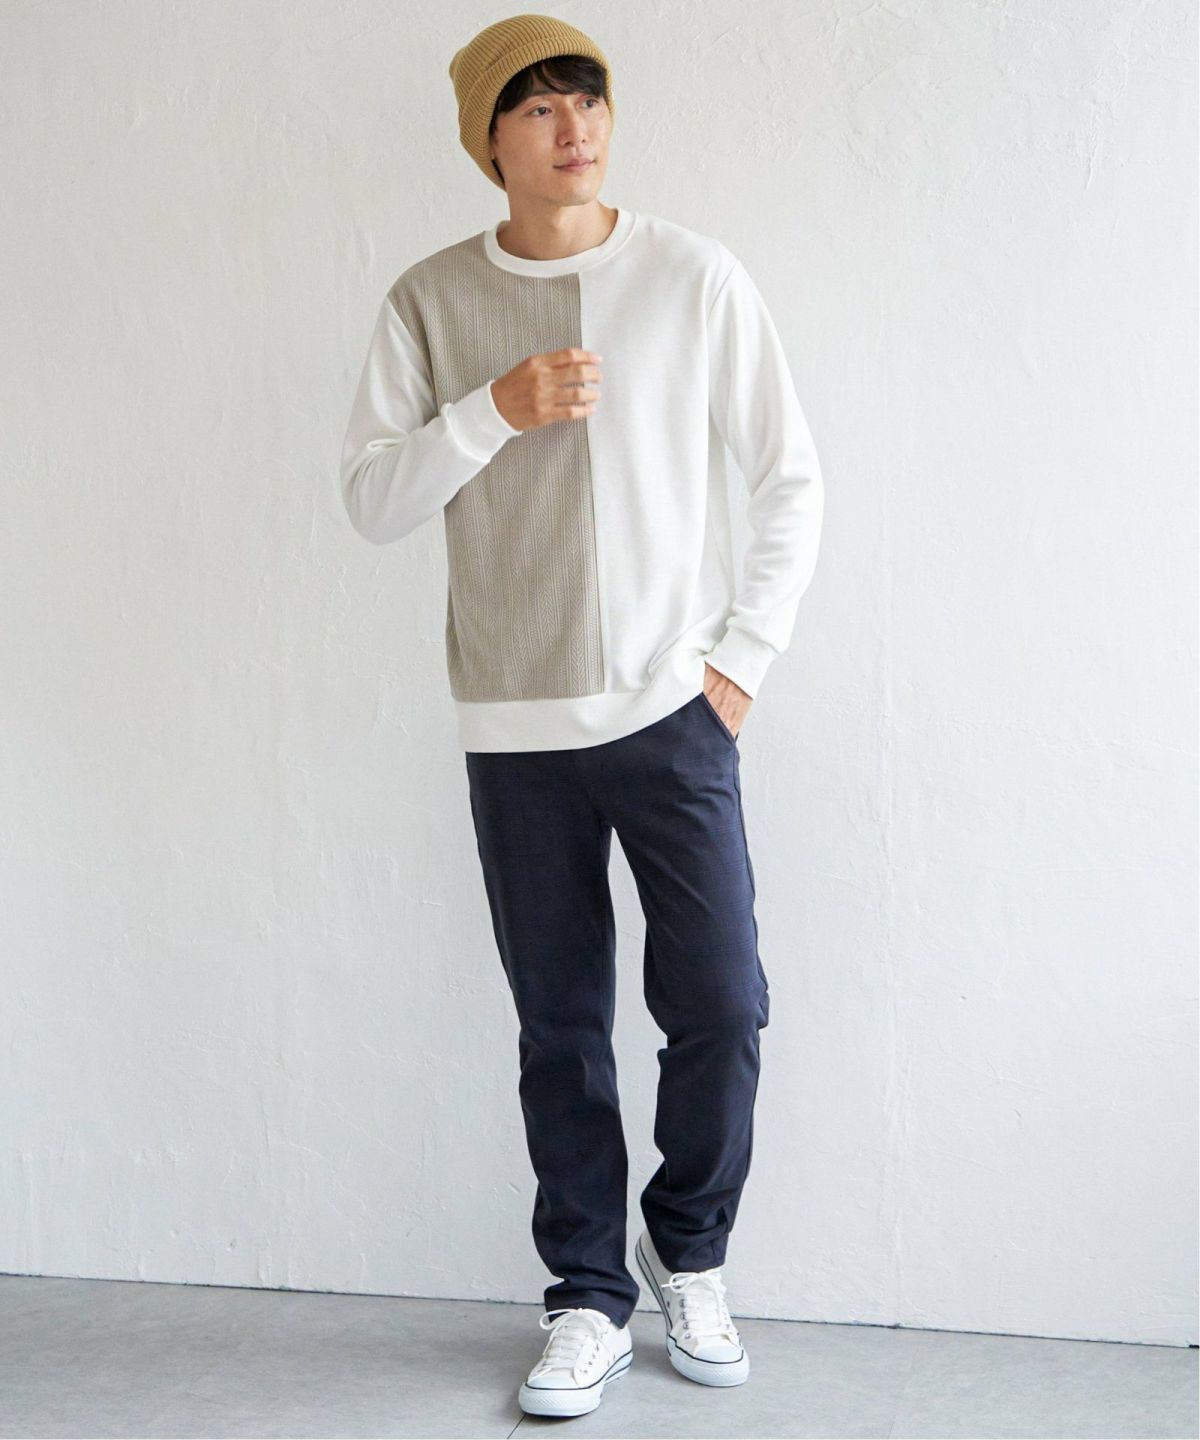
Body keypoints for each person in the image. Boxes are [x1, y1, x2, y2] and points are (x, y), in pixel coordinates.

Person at [339, 12, 825, 1420]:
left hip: (675, 712)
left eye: (589, 99)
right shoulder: (432, 300)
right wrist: (491, 407)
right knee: (560, 1029)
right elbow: (370, 498)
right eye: (539, 106)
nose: (575, 128)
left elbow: (789, 476)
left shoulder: (690, 275)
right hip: (515, 723)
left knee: (721, 1003)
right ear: (489, 139)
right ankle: (588, 1298)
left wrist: (743, 658)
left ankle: (689, 1253)